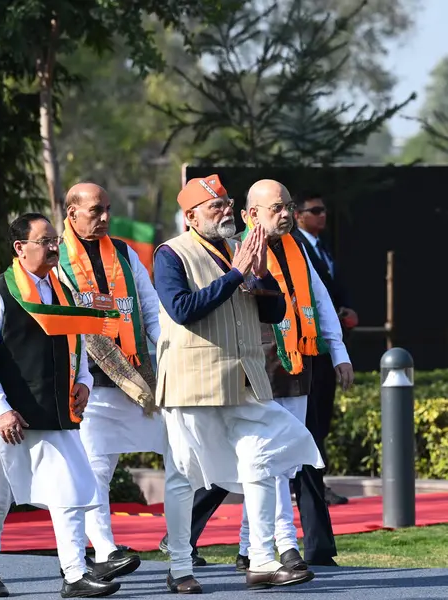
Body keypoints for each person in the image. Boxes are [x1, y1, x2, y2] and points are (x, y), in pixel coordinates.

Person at [154, 174, 324, 593]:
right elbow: (181, 310)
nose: (226, 210)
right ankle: (179, 566)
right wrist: (235, 275)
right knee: (184, 476)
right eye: (216, 206)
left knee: (263, 459)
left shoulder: (241, 249)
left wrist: (263, 281)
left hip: (246, 381)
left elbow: (274, 313)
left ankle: (263, 559)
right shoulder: (170, 254)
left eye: (228, 203)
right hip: (192, 383)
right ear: (191, 215)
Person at [0, 213, 120, 598]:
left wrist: (84, 382)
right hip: (7, 420)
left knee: (68, 494)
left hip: (54, 414)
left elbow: (78, 344)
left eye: (55, 240)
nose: (54, 247)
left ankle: (73, 574)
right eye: (45, 241)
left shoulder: (63, 292)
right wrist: (0, 409)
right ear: (20, 248)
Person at [237, 179, 353, 568]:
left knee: (282, 461)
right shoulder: (235, 249)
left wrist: (338, 352)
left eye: (288, 207)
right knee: (267, 460)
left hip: (299, 365)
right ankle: (283, 544)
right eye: (277, 208)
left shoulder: (297, 247)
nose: (286, 214)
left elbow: (320, 299)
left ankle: (247, 546)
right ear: (252, 214)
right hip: (258, 367)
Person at [58, 182, 164, 581]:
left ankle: (182, 545)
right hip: (88, 382)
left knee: (179, 453)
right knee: (97, 470)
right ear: (72, 214)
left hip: (137, 378)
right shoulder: (56, 259)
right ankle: (103, 550)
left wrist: (167, 349)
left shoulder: (123, 253)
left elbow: (149, 307)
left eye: (107, 209)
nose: (104, 217)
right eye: (95, 211)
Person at [293, 191, 358, 505]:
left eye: (324, 210)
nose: (322, 215)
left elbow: (327, 292)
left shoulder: (322, 247)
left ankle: (315, 482)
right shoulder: (296, 246)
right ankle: (308, 484)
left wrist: (344, 311)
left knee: (323, 414)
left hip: (327, 344)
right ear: (299, 215)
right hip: (304, 345)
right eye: (315, 210)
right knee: (311, 416)